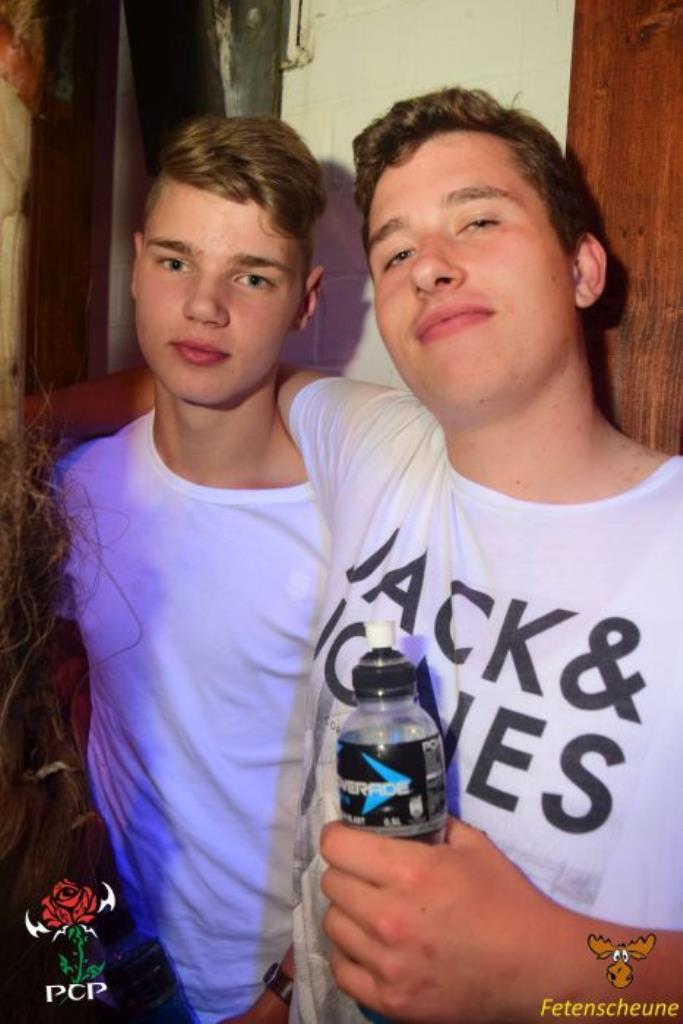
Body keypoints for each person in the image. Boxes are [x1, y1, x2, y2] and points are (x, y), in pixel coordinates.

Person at [276, 87, 683, 1021]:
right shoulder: (374, 446)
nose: (428, 267)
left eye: (479, 220)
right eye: (395, 251)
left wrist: (555, 971)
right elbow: (209, 380)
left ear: (582, 269)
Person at [56, 114, 328, 1023]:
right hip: (109, 964)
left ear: (305, 301)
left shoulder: (349, 524)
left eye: (251, 276)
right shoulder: (77, 487)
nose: (204, 307)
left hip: (280, 989)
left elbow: (401, 797)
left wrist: (286, 992)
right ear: (136, 264)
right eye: (176, 261)